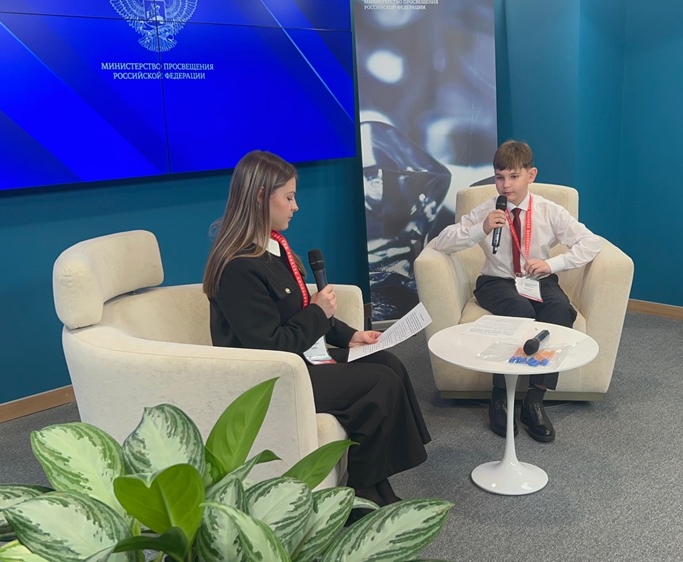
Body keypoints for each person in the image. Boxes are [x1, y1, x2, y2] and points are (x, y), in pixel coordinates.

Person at [202, 150, 431, 509]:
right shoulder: (238, 267)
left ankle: (374, 480)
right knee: (378, 383)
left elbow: (298, 313)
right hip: (270, 378)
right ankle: (361, 493)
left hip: (297, 359)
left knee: (389, 363)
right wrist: (319, 312)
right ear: (261, 197)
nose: (296, 207)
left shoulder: (273, 248)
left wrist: (350, 335)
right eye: (289, 197)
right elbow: (271, 346)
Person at [431, 140, 602, 443]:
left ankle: (534, 400)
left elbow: (591, 243)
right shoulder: (487, 210)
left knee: (560, 310)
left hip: (538, 279)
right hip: (496, 282)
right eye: (499, 177)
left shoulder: (549, 211)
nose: (505, 185)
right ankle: (499, 396)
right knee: (520, 311)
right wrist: (480, 229)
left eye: (513, 176)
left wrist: (552, 264)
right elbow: (442, 242)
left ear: (530, 175)